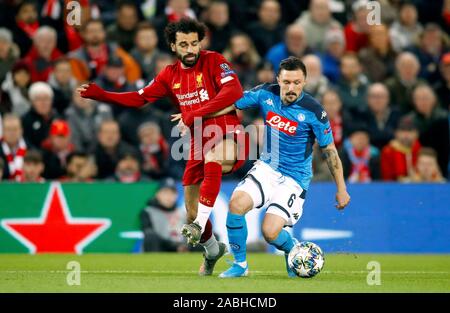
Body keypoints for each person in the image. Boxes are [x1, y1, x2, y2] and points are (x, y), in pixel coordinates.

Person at [78, 19, 248, 276]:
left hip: (227, 133)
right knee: (191, 212)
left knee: (213, 160)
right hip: (198, 141)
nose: (190, 49)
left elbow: (233, 90)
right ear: (173, 46)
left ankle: (201, 224)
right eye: (183, 44)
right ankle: (213, 249)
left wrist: (194, 114)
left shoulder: (214, 60)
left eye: (194, 43)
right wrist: (102, 94)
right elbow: (140, 97)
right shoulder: (170, 74)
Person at [219, 57, 350, 278]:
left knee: (270, 232)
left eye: (297, 82)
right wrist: (196, 116)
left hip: (295, 179)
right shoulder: (265, 93)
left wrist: (342, 188)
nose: (291, 88)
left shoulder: (314, 112)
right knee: (236, 204)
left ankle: (292, 249)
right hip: (267, 168)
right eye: (287, 82)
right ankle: (240, 265)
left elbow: (330, 151)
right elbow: (231, 103)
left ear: (305, 82)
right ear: (278, 79)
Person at [140, 178, 189, 252]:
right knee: (150, 236)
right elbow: (148, 233)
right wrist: (175, 247)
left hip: (183, 248)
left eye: (172, 193)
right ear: (157, 194)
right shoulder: (148, 212)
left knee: (206, 236)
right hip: (162, 248)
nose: (169, 196)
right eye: (165, 192)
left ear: (176, 195)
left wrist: (184, 246)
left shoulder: (183, 213)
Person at [0, 113, 27, 180]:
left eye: (15, 129)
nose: (12, 133)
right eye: (8, 129)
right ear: (3, 131)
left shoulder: (30, 150)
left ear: (21, 130)